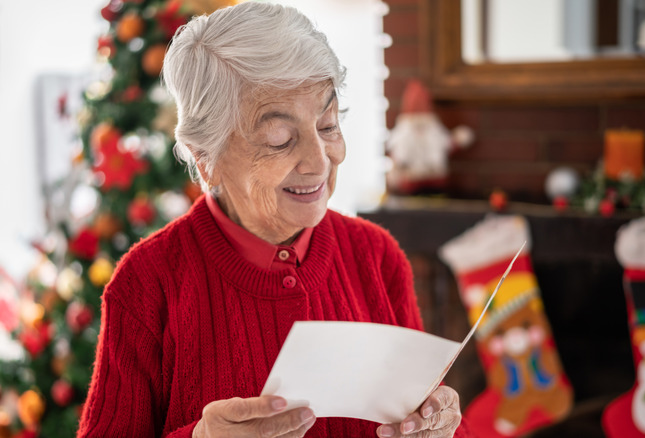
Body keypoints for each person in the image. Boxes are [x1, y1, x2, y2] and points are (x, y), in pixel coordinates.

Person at [78, 3, 469, 437]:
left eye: (327, 125)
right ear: (206, 160)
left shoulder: (376, 257)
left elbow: (419, 413)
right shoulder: (147, 283)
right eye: (279, 139)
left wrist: (440, 427)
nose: (318, 162)